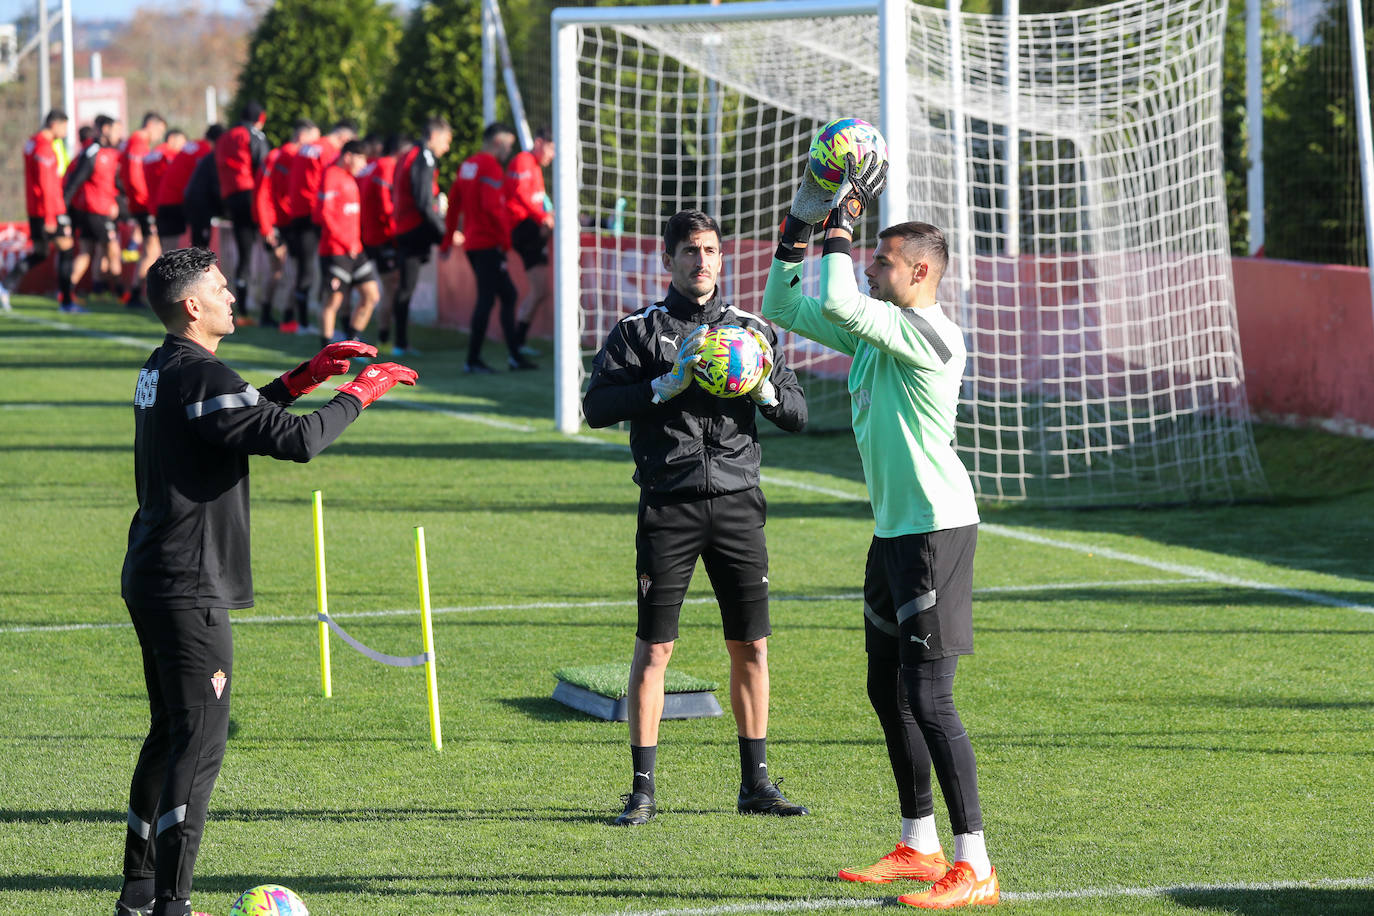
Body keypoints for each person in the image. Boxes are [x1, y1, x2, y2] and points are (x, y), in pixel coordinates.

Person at [116, 246, 417, 916]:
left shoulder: (166, 366)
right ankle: (173, 902)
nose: (232, 294)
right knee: (198, 742)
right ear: (192, 306)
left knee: (169, 731)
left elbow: (241, 420)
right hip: (189, 582)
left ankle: (138, 891)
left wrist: (308, 373)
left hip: (155, 573)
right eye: (221, 288)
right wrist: (362, 392)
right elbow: (297, 441)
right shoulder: (200, 372)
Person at [760, 156, 999, 909]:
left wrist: (842, 217)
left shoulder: (929, 336)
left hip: (936, 530)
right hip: (894, 532)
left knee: (931, 699)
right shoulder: (878, 334)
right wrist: (805, 217)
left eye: (883, 262)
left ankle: (977, 864)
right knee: (883, 686)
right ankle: (919, 845)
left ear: (921, 271)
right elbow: (784, 302)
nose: (869, 268)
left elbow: (837, 291)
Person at [582, 209, 809, 826]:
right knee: (656, 649)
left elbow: (796, 413)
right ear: (668, 259)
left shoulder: (752, 331)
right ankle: (642, 788)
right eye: (689, 251)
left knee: (752, 645)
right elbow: (595, 406)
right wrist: (665, 383)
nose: (701, 261)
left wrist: (762, 389)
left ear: (721, 256)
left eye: (710, 250)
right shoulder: (639, 331)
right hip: (669, 503)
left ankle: (756, 784)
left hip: (739, 504)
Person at [444, 121, 530, 373]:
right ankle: (473, 360)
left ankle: (513, 356)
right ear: (498, 141)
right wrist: (505, 241)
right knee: (487, 299)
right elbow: (493, 208)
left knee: (506, 295)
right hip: (488, 243)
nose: (509, 152)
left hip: (474, 243)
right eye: (509, 145)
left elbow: (453, 203)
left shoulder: (468, 165)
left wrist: (448, 239)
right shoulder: (489, 166)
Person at [283, 119, 358, 334]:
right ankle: (308, 323)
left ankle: (301, 319)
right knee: (326, 270)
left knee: (303, 269)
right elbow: (330, 183)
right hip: (313, 214)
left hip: (297, 212)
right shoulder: (328, 151)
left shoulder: (307, 148)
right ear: (345, 138)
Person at [390, 117, 451, 357]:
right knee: (406, 287)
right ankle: (400, 343)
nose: (446, 148)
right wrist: (442, 232)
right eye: (446, 141)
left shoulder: (409, 154)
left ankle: (400, 342)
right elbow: (423, 202)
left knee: (405, 286)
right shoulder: (423, 157)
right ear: (435, 136)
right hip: (412, 230)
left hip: (405, 228)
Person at [253, 118, 320, 328]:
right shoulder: (278, 156)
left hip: (291, 222)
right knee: (280, 269)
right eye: (313, 140)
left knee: (293, 270)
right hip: (277, 224)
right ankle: (268, 313)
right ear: (302, 136)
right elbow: (262, 192)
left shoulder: (297, 157)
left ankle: (288, 316)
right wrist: (267, 226)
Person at [314, 139, 380, 348]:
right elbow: (325, 214)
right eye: (361, 159)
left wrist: (355, 242)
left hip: (355, 250)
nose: (363, 164)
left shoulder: (350, 178)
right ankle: (325, 350)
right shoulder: (331, 175)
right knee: (333, 301)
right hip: (336, 251)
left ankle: (353, 341)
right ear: (349, 156)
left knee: (371, 295)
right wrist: (345, 243)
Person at [12, 108, 77, 311]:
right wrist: (51, 216)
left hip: (35, 209)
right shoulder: (44, 148)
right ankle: (66, 302)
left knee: (40, 253)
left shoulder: (32, 143)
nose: (66, 131)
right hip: (48, 210)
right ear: (54, 124)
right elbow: (46, 185)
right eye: (65, 126)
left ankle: (4, 286)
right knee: (66, 249)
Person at [214, 101, 270, 313]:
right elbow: (263, 166)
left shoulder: (224, 137)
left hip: (230, 197)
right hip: (250, 195)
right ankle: (265, 307)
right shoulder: (253, 135)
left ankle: (243, 308)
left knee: (244, 252)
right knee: (268, 251)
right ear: (260, 118)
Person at [504, 127, 555, 355]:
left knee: (541, 289)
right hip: (525, 229)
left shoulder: (533, 165)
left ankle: (518, 344)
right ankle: (516, 345)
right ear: (539, 142)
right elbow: (522, 195)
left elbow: (535, 199)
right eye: (552, 148)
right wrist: (544, 218)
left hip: (532, 228)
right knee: (538, 289)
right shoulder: (524, 161)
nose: (552, 155)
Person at [359, 135, 411, 348]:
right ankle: (383, 338)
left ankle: (348, 332)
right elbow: (385, 205)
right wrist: (396, 229)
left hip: (367, 234)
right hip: (381, 237)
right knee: (391, 287)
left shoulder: (371, 166)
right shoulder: (387, 166)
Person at [64, 114, 123, 299]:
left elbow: (113, 182)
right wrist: (63, 210)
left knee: (87, 252)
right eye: (116, 130)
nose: (119, 135)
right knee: (113, 253)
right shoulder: (93, 151)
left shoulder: (110, 152)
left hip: (99, 209)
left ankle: (68, 291)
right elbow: (75, 181)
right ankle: (126, 295)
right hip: (97, 211)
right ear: (106, 129)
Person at [121, 112, 168, 309]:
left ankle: (136, 293)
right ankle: (138, 294)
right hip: (143, 205)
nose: (159, 135)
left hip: (139, 204)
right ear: (151, 124)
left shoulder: (135, 143)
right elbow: (135, 176)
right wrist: (148, 202)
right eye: (159, 130)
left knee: (151, 249)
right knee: (152, 250)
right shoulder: (138, 143)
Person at [155, 125, 223, 249]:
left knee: (168, 251)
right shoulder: (205, 151)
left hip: (165, 200)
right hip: (177, 201)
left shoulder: (193, 146)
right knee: (195, 249)